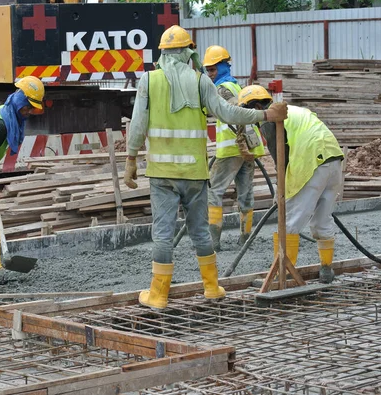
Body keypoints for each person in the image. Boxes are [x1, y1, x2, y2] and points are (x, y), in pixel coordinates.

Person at [123, 25, 288, 310]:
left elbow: (137, 124)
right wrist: (265, 114)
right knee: (199, 231)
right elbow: (228, 112)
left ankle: (159, 295)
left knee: (162, 234)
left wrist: (130, 159)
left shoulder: (148, 81)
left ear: (162, 53)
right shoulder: (200, 82)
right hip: (196, 174)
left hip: (162, 174)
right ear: (189, 53)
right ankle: (212, 288)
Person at [238, 85, 344, 284]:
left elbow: (281, 159)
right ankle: (326, 269)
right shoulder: (294, 110)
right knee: (322, 219)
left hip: (311, 161)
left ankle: (283, 274)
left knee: (288, 221)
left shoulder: (271, 119)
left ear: (257, 106)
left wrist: (282, 190)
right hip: (333, 159)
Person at [0, 76, 45, 275]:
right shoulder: (0, 125)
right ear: (19, 100)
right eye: (27, 107)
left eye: (31, 109)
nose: (28, 112)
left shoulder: (9, 116)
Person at [202, 45, 266, 251]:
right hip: (249, 149)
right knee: (245, 194)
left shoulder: (221, 89)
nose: (210, 74)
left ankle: (213, 243)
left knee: (213, 192)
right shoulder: (237, 86)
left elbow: (235, 113)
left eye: (213, 69)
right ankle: (245, 238)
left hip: (232, 149)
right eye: (208, 70)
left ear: (222, 67)